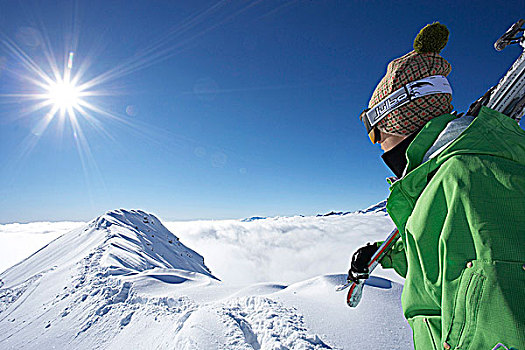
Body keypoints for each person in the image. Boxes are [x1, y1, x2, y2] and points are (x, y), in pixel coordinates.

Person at [348, 22, 525, 350]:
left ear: (399, 120)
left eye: (375, 132)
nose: (377, 146)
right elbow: (445, 259)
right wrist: (386, 255)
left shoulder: (470, 177)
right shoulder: (442, 180)